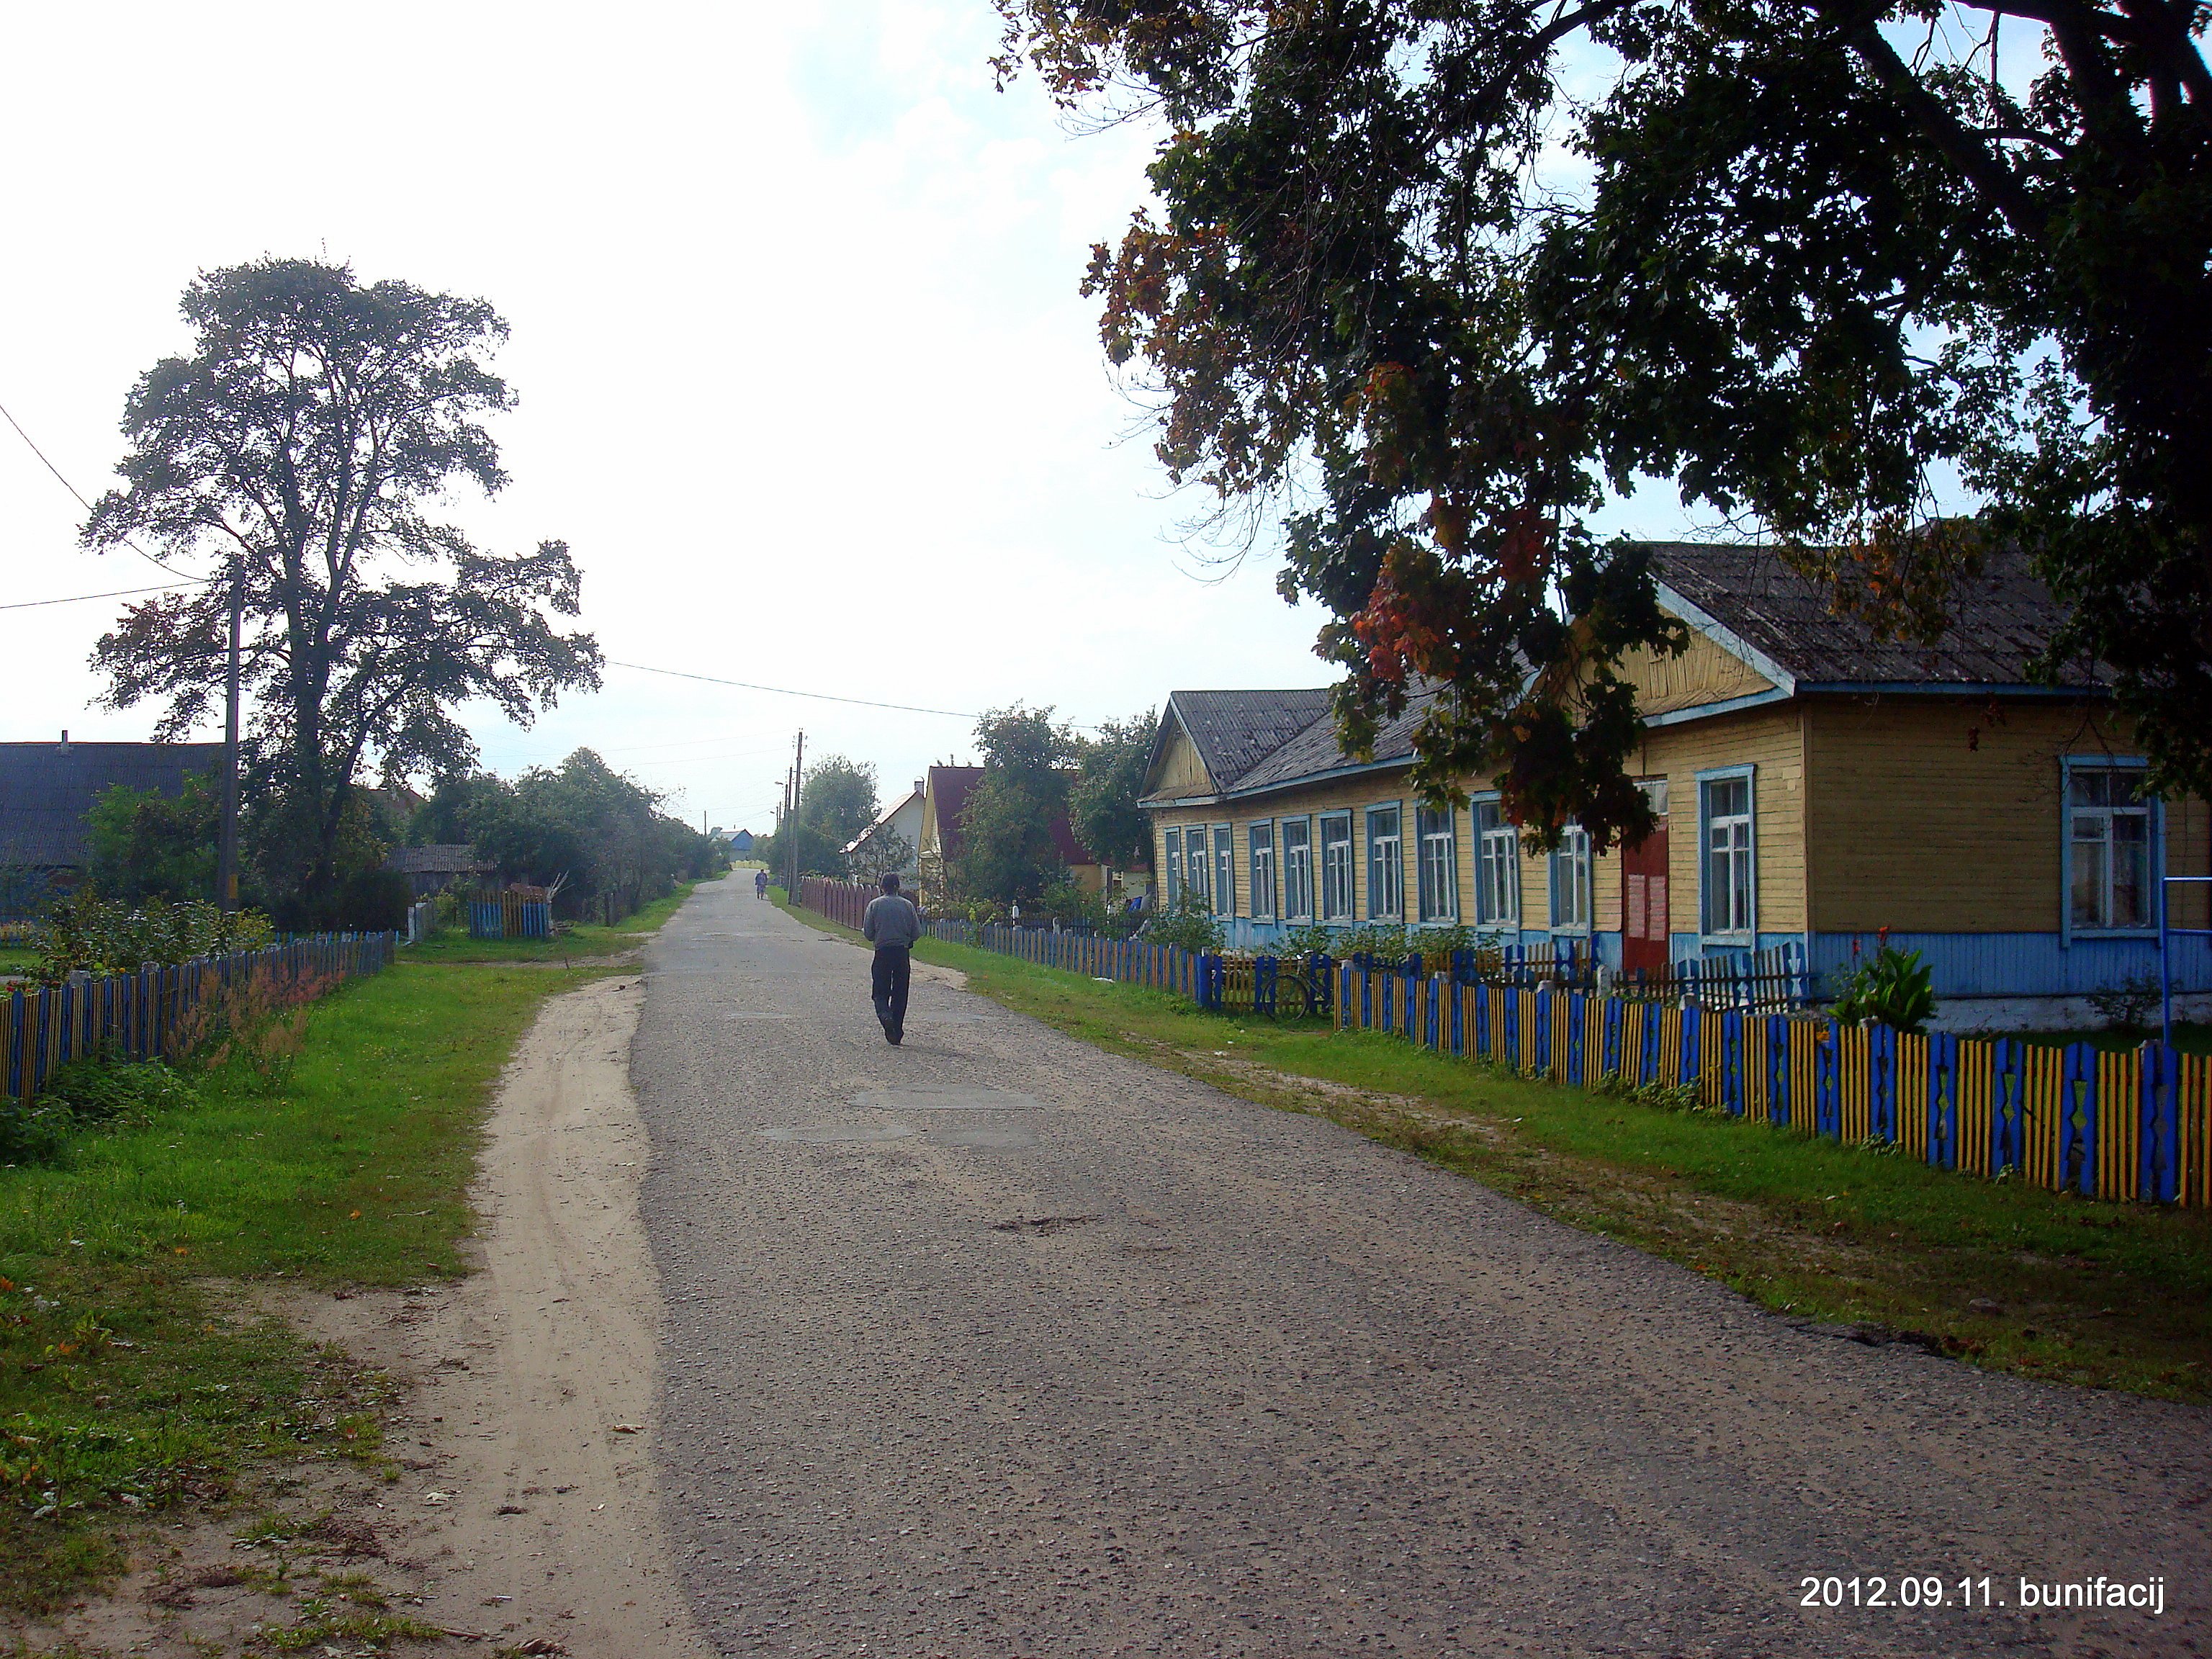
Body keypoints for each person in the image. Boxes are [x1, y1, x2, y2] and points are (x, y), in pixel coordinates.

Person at [861, 871, 923, 1044]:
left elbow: (868, 934)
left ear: (882, 887)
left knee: (880, 992)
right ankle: (897, 1029)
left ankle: (885, 1015)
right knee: (900, 992)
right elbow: (917, 933)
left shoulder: (874, 905)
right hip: (902, 953)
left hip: (882, 952)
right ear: (898, 887)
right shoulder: (908, 906)